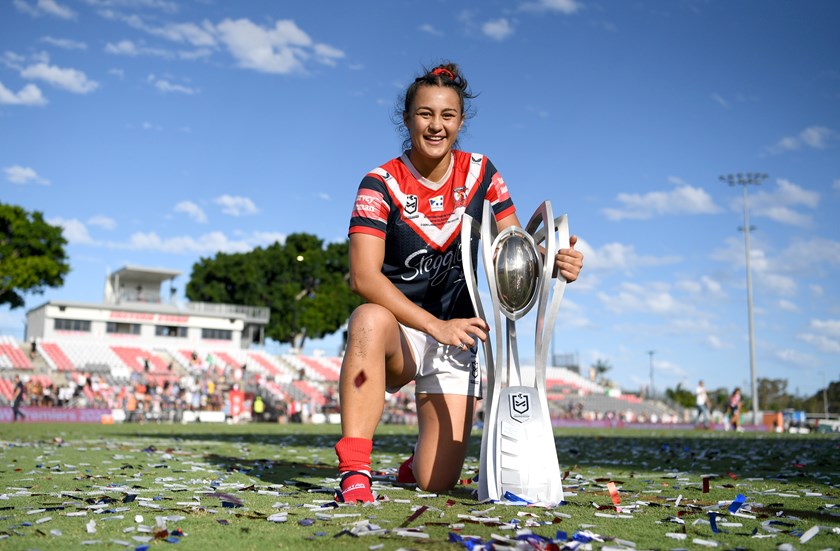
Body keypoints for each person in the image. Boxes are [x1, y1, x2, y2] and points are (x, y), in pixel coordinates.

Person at [334, 61, 584, 503]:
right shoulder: (379, 182)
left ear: (460, 121)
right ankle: (355, 470)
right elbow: (363, 276)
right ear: (408, 118)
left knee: (435, 481)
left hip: (458, 336)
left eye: (447, 115)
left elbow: (513, 250)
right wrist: (434, 326)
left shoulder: (481, 173)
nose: (436, 125)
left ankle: (416, 463)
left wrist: (551, 260)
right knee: (368, 318)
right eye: (425, 114)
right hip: (402, 331)